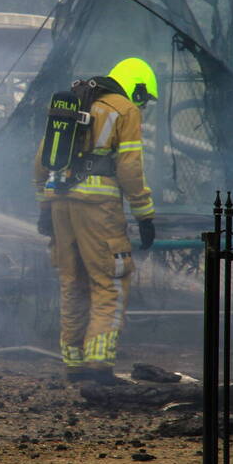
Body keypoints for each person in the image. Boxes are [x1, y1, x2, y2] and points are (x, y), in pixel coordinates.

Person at [34, 57, 157, 384]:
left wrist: (44, 207)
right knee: (110, 281)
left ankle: (73, 363)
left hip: (60, 202)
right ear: (137, 88)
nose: (141, 106)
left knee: (72, 282)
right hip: (99, 209)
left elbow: (41, 162)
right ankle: (99, 365)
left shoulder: (77, 104)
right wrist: (144, 213)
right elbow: (130, 169)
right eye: (142, 98)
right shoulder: (124, 110)